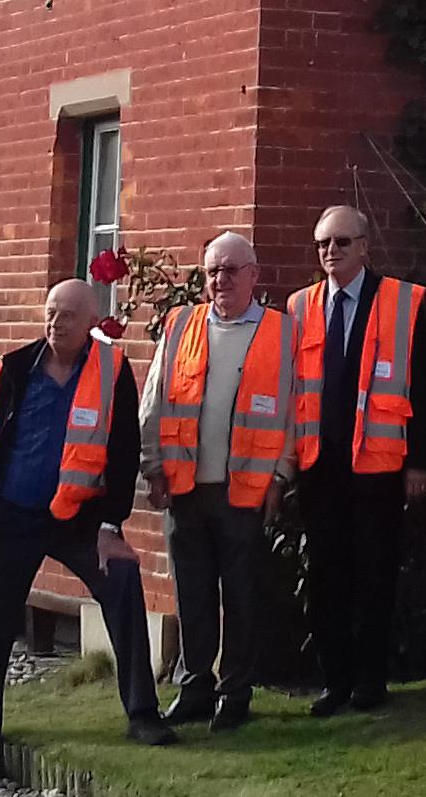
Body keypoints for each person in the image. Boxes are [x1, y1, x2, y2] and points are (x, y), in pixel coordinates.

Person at [0, 278, 174, 777]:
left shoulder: (113, 371)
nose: (56, 323)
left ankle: (143, 714)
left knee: (123, 580)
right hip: (8, 515)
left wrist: (110, 526)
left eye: (67, 314)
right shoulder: (12, 369)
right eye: (50, 312)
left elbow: (123, 453)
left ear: (92, 320)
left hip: (79, 519)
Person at [287, 204, 426, 716]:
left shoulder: (402, 301)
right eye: (323, 244)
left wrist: (420, 462)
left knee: (375, 575)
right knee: (327, 576)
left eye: (342, 242)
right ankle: (334, 682)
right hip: (319, 464)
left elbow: (425, 388)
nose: (331, 252)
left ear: (364, 247)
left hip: (379, 465)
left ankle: (370, 680)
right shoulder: (300, 306)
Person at [139, 232, 289, 732]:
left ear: (254, 275)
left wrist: (281, 476)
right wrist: (152, 465)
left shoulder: (281, 333)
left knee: (241, 595)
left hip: (245, 488)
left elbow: (296, 410)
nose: (220, 280)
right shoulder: (181, 325)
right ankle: (195, 688)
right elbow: (154, 399)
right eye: (212, 271)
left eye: (230, 270)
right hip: (185, 486)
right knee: (192, 593)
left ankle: (235, 692)